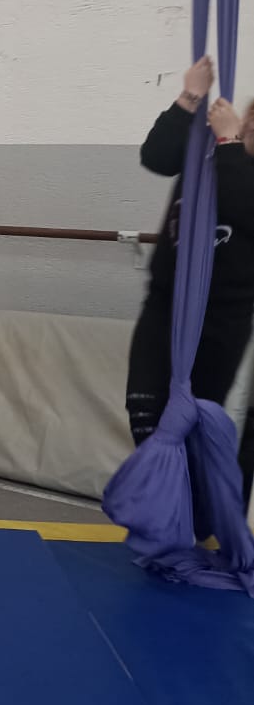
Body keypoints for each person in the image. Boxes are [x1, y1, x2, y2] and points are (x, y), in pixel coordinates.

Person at [126, 54, 254, 520]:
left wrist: (230, 142)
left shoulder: (230, 156)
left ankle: (195, 516)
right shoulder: (208, 153)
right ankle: (169, 509)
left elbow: (242, 207)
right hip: (167, 306)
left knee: (196, 421)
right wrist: (190, 97)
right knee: (145, 409)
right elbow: (156, 157)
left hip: (221, 319)